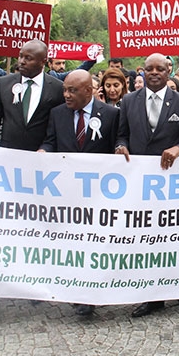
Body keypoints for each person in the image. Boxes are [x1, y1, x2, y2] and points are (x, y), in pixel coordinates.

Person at [115, 53, 179, 318]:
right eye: (148, 69)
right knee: (144, 240)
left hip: (171, 187)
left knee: (170, 239)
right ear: (142, 72)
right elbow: (121, 135)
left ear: (168, 72)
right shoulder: (129, 101)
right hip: (138, 186)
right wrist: (121, 147)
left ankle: (177, 287)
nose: (153, 73)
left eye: (159, 69)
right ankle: (149, 295)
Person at [38, 69, 119, 316]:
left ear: (89, 90)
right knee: (72, 243)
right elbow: (51, 141)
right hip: (67, 193)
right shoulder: (57, 114)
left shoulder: (112, 115)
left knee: (94, 243)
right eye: (65, 90)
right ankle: (75, 288)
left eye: (72, 90)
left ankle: (91, 293)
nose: (66, 95)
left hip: (99, 195)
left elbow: (117, 144)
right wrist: (43, 151)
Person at [0, 40, 64, 151]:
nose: (21, 62)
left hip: (40, 160)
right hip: (7, 157)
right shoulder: (4, 84)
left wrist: (45, 149)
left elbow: (58, 129)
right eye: (20, 57)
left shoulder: (57, 88)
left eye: (28, 58)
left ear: (43, 62)